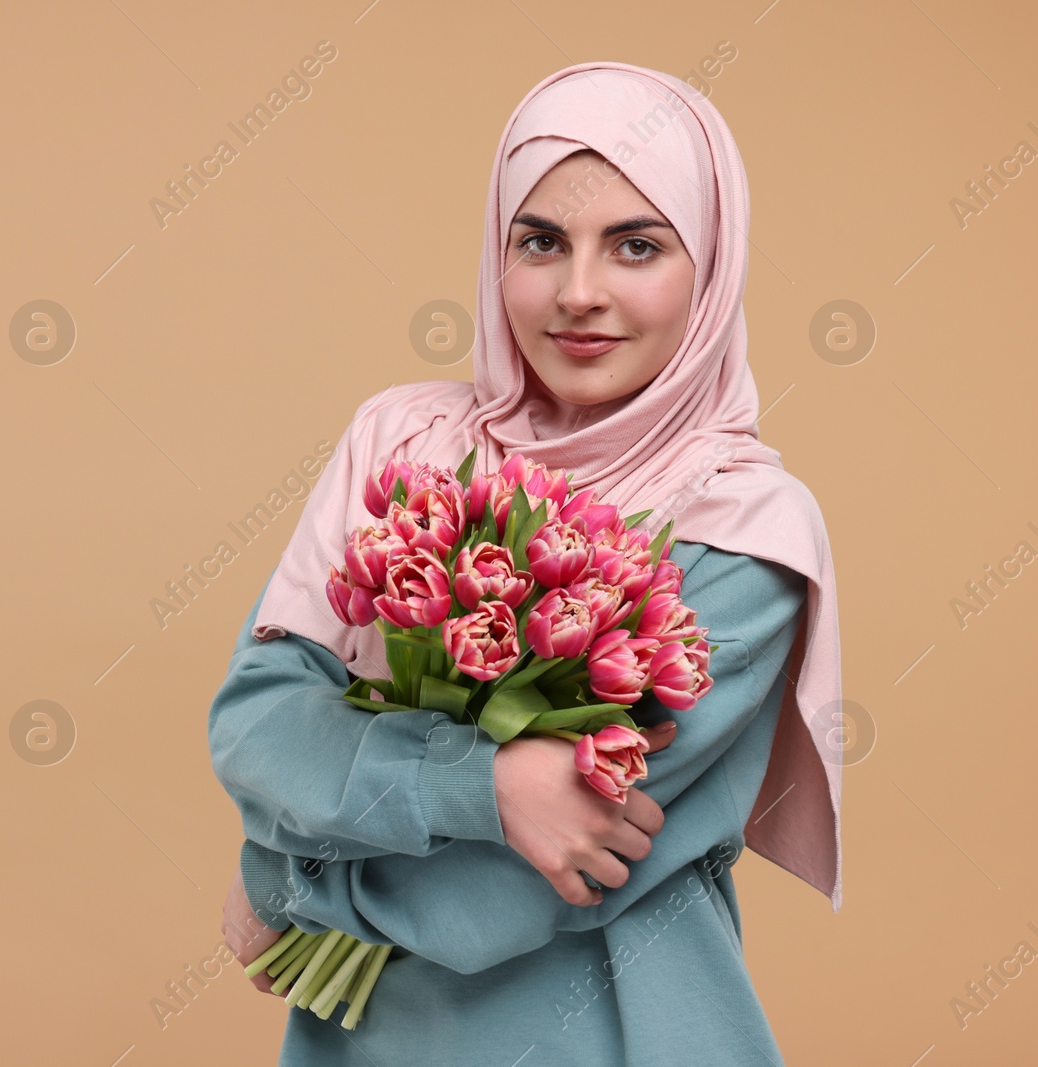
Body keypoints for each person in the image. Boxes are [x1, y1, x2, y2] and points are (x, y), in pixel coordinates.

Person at [207, 61, 844, 1065]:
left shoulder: (743, 529)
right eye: (539, 241)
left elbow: (498, 898)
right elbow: (257, 725)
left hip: (632, 1035)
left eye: (637, 245)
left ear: (712, 265)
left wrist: (283, 882)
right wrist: (491, 785)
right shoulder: (402, 444)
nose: (578, 293)